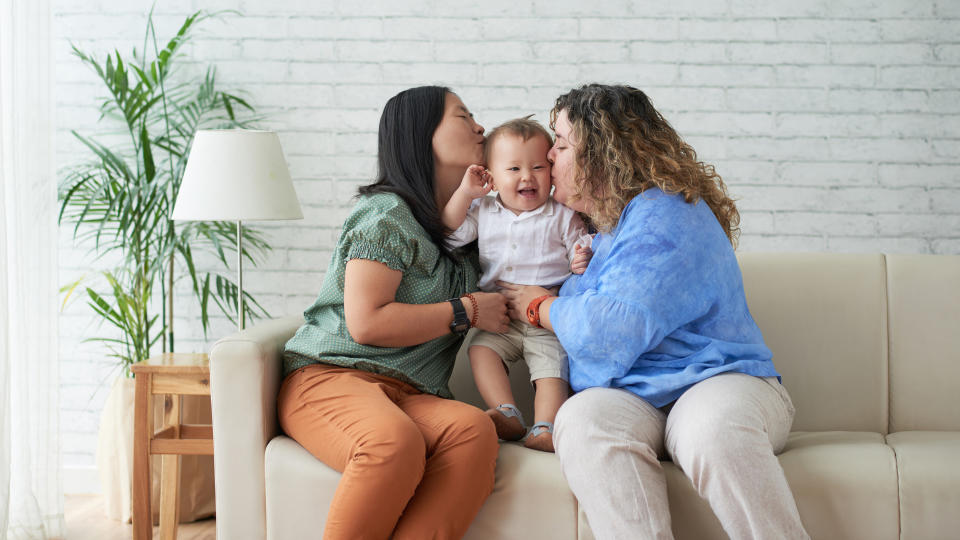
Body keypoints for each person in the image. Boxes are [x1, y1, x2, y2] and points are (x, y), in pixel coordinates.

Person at [499, 84, 810, 540]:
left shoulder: (667, 214)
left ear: (603, 154)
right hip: (636, 398)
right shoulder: (604, 233)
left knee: (710, 428)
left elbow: (607, 334)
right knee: (582, 420)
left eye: (561, 144)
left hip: (716, 380)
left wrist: (540, 305)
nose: (548, 154)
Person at [279, 86, 511, 540]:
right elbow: (366, 323)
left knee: (471, 430)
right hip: (330, 378)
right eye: (464, 117)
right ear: (421, 135)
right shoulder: (387, 214)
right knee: (392, 442)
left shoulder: (471, 229)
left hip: (410, 393)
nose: (480, 127)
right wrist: (466, 310)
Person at [441, 117, 591, 453]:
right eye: (513, 169)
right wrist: (466, 193)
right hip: (501, 318)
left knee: (551, 370)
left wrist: (581, 259)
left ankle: (546, 427)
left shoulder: (562, 215)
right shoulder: (483, 210)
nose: (527, 176)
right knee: (481, 350)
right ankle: (506, 411)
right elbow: (450, 233)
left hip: (546, 319)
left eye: (538, 166)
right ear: (491, 176)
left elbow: (583, 249)